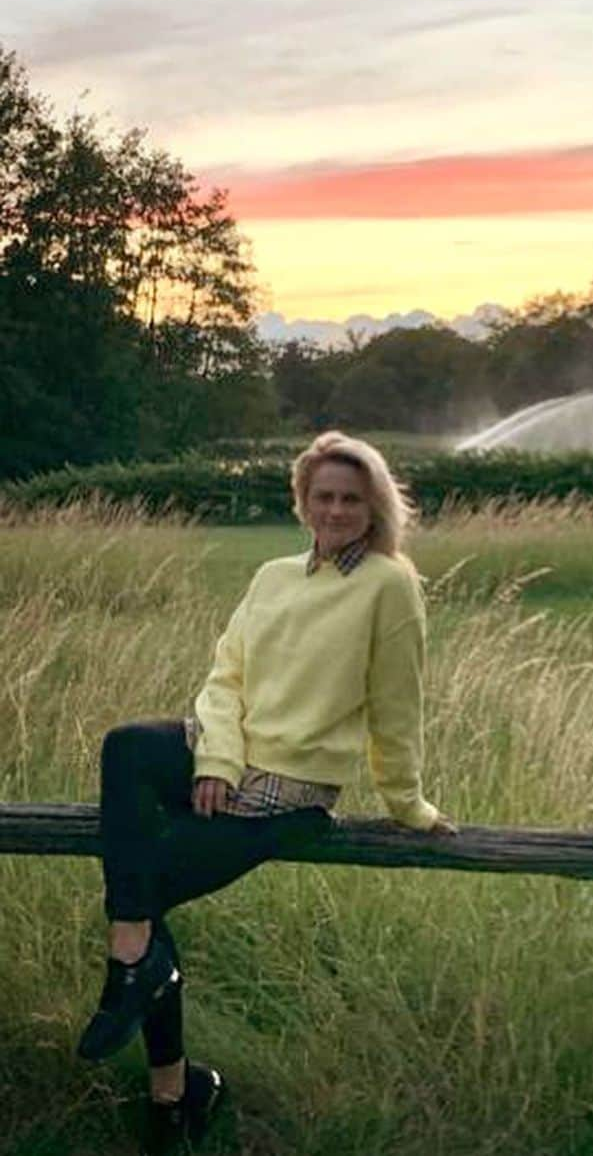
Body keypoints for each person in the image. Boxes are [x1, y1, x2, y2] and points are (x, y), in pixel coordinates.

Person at [76, 431, 456, 1153]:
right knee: (127, 748)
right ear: (303, 500)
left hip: (292, 792)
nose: (336, 509)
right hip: (221, 757)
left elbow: (397, 706)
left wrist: (409, 805)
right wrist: (215, 757)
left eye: (351, 498)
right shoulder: (274, 575)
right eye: (324, 496)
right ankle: (138, 978)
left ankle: (169, 1077)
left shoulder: (389, 583)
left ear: (373, 506)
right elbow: (227, 675)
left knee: (145, 884)